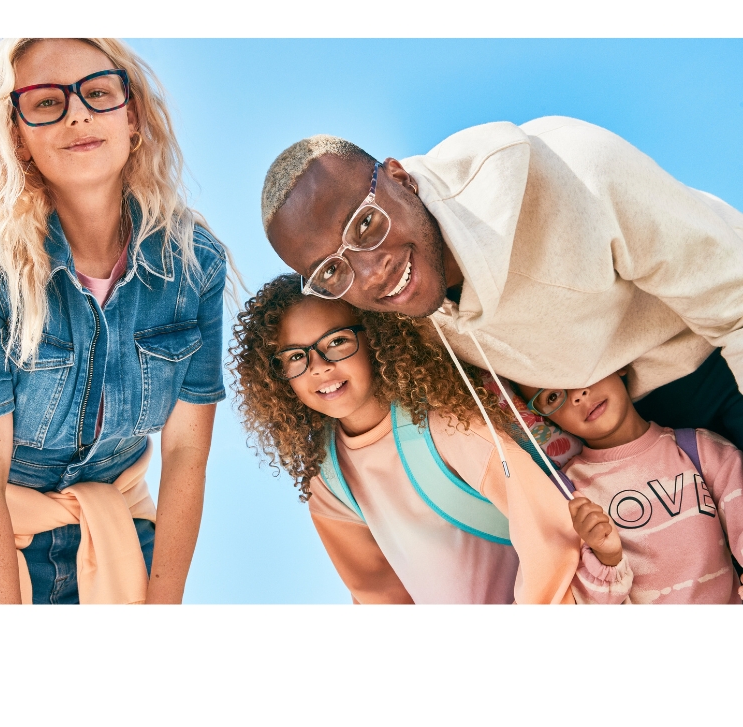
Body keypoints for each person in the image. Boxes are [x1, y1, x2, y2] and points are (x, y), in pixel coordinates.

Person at [0, 38, 228, 604]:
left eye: (98, 93)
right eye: (47, 102)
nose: (78, 114)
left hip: (114, 526)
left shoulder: (194, 265)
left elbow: (186, 456)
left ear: (132, 117)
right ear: (18, 138)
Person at [259, 121, 743, 448]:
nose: (370, 273)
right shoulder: (392, 319)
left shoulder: (575, 167)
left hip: (716, 355)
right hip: (623, 435)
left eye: (365, 224)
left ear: (400, 178)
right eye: (331, 270)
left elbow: (735, 300)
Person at [230, 273, 599, 604]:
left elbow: (548, 530)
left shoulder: (444, 422)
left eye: (337, 341)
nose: (319, 366)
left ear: (374, 335)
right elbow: (378, 595)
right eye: (296, 357)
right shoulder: (327, 480)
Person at [513, 373, 743, 604]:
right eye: (552, 397)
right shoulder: (563, 496)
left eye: (578, 370)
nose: (576, 395)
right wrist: (608, 559)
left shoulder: (700, 451)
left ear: (617, 363)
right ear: (547, 419)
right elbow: (567, 602)